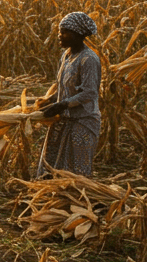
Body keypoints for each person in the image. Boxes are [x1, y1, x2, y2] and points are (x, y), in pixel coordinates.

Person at [36, 12, 101, 178]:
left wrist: (61, 105)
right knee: (51, 164)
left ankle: (78, 199)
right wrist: (49, 100)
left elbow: (89, 92)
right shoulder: (66, 56)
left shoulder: (89, 59)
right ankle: (53, 197)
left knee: (77, 171)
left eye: (64, 32)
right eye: (60, 31)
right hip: (64, 120)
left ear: (77, 35)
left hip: (82, 121)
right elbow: (64, 88)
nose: (60, 35)